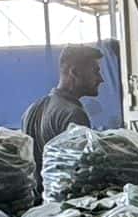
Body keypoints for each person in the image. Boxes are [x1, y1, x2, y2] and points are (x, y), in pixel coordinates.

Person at [21, 44, 103, 173]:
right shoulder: (73, 114)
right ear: (74, 72)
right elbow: (81, 173)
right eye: (95, 71)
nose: (101, 79)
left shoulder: (31, 110)